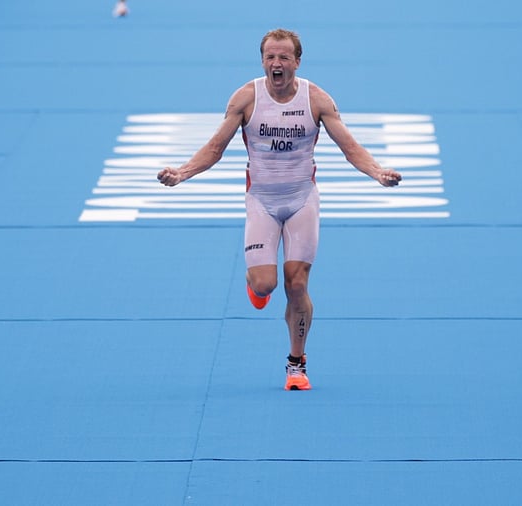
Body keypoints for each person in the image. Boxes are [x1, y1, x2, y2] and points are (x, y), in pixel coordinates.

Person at [157, 28, 402, 391]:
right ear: (262, 61)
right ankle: (255, 282)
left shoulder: (316, 100)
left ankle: (296, 363)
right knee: (265, 283)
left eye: (284, 57)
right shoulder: (246, 99)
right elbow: (214, 149)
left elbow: (351, 148)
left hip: (302, 199)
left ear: (297, 62)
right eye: (270, 57)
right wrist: (182, 173)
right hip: (262, 203)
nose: (276, 63)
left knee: (297, 282)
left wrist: (377, 172)